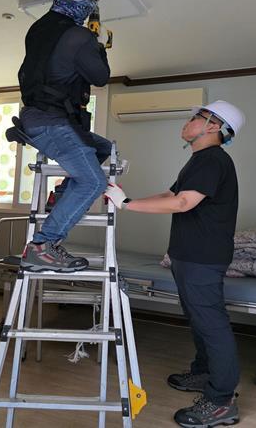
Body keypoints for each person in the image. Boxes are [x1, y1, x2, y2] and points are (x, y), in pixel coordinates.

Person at [105, 100, 245, 428]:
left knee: (211, 324)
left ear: (213, 126)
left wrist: (126, 205)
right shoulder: (199, 160)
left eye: (197, 116)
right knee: (199, 320)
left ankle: (222, 401)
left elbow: (183, 203)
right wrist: (126, 199)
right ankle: (204, 373)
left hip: (202, 258)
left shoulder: (213, 159)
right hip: (188, 255)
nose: (189, 121)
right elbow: (170, 194)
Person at [17, 0, 113, 273]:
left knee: (103, 148)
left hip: (40, 116)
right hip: (51, 122)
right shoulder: (79, 37)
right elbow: (100, 77)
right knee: (93, 182)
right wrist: (99, 46)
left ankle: (60, 197)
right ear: (88, 3)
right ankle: (42, 247)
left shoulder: (39, 28)